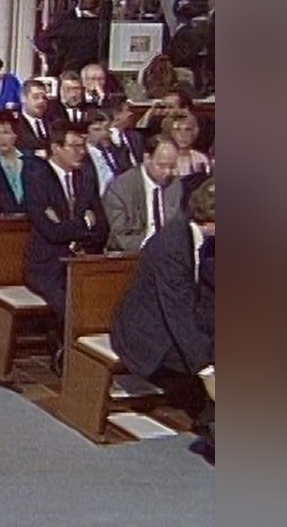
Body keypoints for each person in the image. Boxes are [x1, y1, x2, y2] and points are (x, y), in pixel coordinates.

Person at [109, 178, 215, 446]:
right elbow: (177, 315)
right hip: (147, 332)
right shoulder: (172, 246)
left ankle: (212, 417)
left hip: (183, 314)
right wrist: (207, 370)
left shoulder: (209, 241)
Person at [23, 121, 108, 333]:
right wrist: (85, 223)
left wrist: (71, 227)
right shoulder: (37, 178)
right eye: (75, 146)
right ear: (56, 148)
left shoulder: (86, 177)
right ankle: (62, 348)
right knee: (69, 306)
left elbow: (102, 227)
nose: (82, 152)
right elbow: (51, 232)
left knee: (105, 300)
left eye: (83, 145)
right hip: (49, 266)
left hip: (83, 259)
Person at [104, 135, 183, 252]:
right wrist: (152, 246)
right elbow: (119, 235)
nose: (167, 172)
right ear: (147, 158)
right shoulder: (120, 188)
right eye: (161, 166)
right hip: (133, 253)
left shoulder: (175, 185)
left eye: (172, 167)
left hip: (170, 253)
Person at [84, 108, 135, 191]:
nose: (104, 133)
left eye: (106, 128)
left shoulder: (118, 151)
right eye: (97, 130)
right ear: (86, 133)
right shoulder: (84, 156)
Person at [13, 80, 55, 153]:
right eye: (36, 97)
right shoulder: (14, 125)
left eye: (44, 98)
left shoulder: (53, 122)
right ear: (23, 98)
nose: (41, 101)